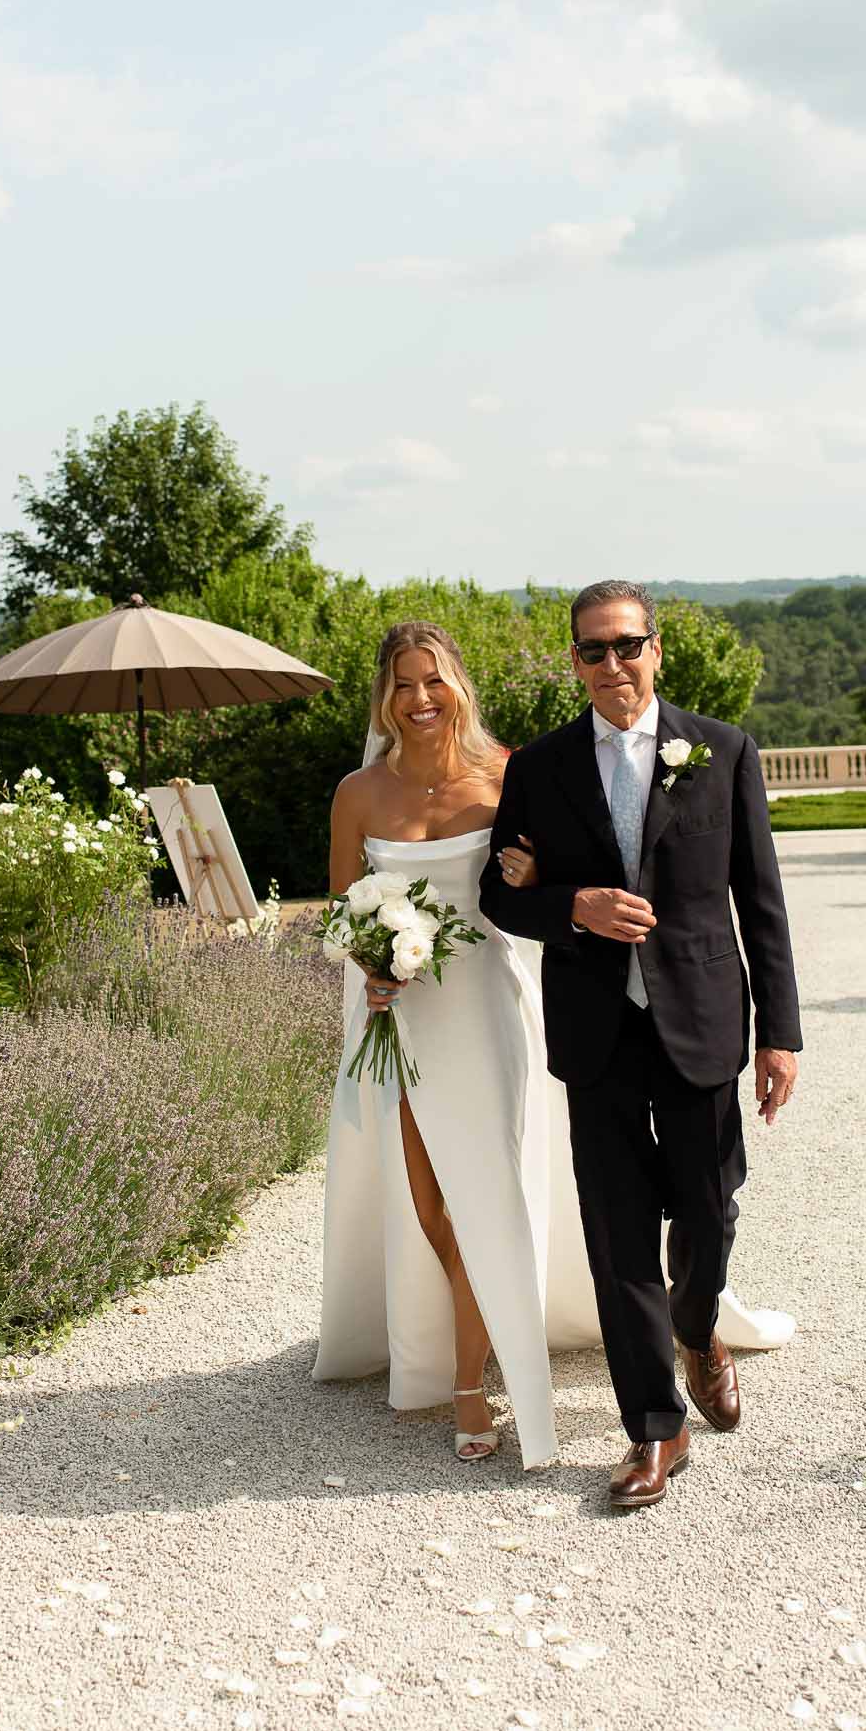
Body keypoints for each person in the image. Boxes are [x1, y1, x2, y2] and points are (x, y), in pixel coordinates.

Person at [479, 580, 803, 1510]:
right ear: (574, 662)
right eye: (593, 651)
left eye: (626, 646)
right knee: (617, 1232)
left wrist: (779, 1034)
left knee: (708, 1212)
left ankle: (698, 1330)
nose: (612, 665)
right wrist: (569, 906)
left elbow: (761, 900)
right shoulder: (536, 768)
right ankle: (653, 1431)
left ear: (656, 651)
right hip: (596, 1027)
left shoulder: (722, 751)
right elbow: (502, 895)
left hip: (701, 1017)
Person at [312, 620, 600, 1468]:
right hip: (397, 1020)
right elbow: (340, 909)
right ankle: (476, 1335)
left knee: (485, 1198)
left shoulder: (511, 775)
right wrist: (370, 965)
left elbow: (548, 886)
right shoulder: (358, 794)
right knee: (428, 1204)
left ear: (458, 685)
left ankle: (472, 1379)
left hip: (485, 1009)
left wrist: (529, 880)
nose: (419, 699)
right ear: (384, 698)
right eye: (402, 684)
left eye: (432, 680)